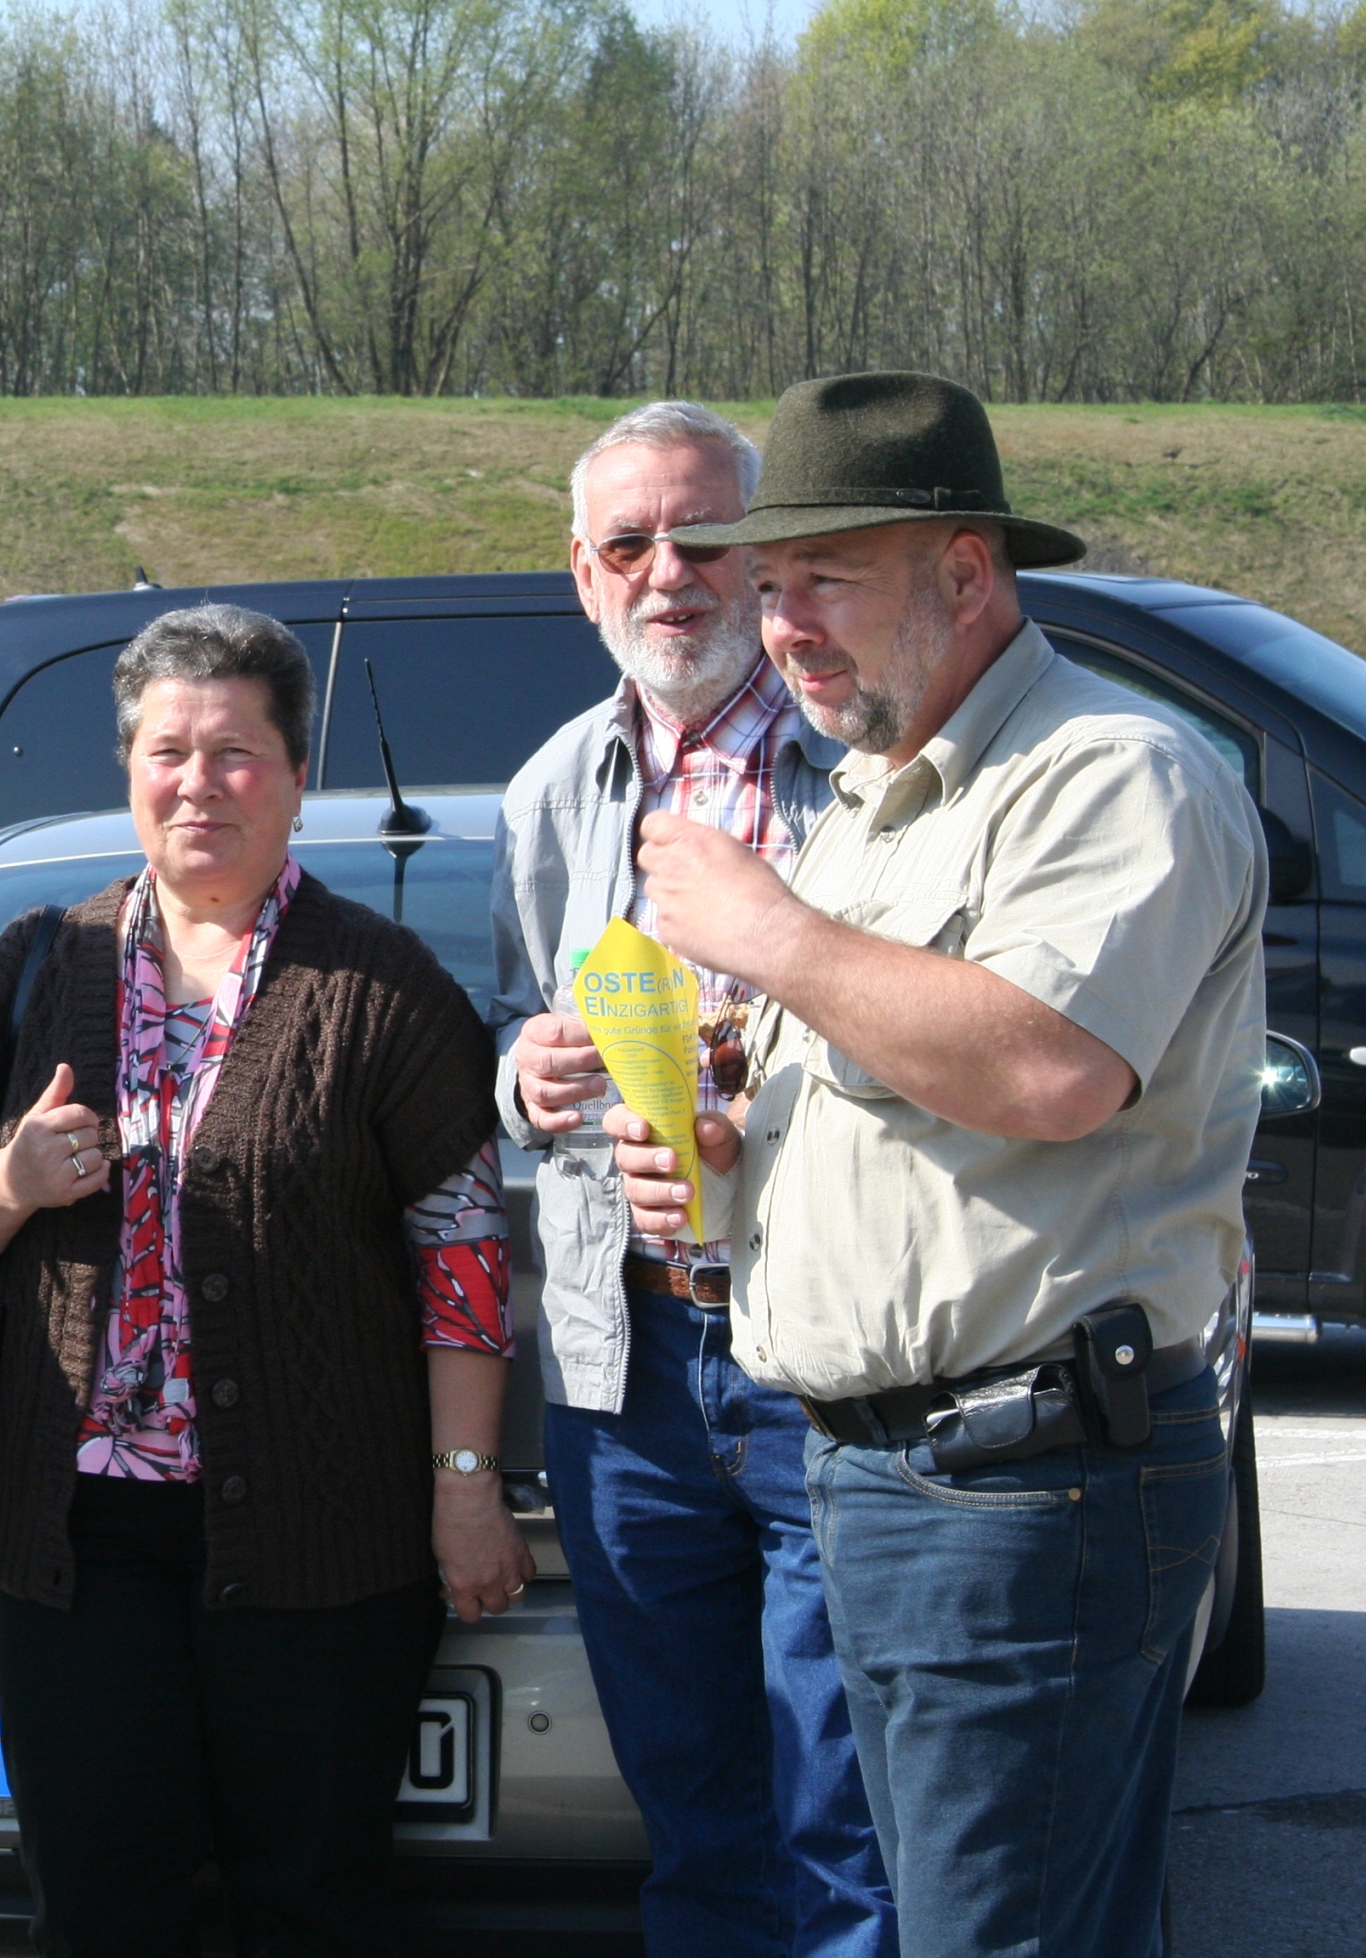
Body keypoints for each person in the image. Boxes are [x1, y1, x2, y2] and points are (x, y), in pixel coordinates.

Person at [617, 371, 1264, 1958]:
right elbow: (866, 1074)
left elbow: (1048, 1063)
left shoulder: (1114, 771)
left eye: (823, 575)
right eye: (769, 589)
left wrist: (769, 930)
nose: (782, 626)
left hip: (1027, 1487)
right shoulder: (870, 804)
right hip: (876, 1477)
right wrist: (717, 1153)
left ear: (966, 573)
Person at [0, 603, 535, 1956]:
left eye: (236, 752)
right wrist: (8, 1180)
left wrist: (462, 1491)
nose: (199, 783)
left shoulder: (381, 985)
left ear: (296, 776)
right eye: (167, 750)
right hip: (80, 1550)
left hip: (323, 1546)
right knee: (100, 1909)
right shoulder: (34, 962)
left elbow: (465, 1257)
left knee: (311, 1905)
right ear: (127, 768)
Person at [490, 401, 894, 1958]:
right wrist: (519, 1081)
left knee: (842, 1817)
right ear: (580, 576)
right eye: (627, 544)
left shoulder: (861, 759)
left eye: (701, 536)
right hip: (627, 1363)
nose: (669, 574)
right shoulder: (547, 793)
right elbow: (505, 1032)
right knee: (695, 1817)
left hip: (822, 1344)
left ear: (762, 553)